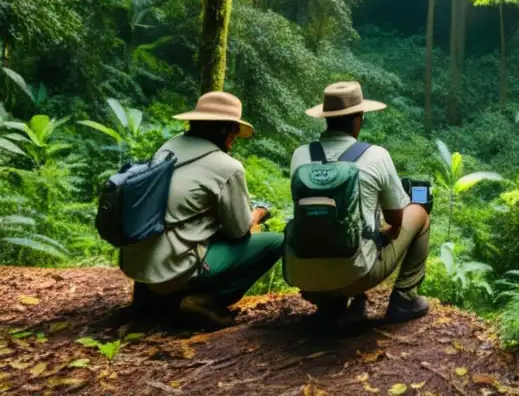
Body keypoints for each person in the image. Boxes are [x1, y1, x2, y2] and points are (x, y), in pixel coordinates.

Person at [120, 91, 283, 327]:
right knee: (276, 242)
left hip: (137, 264)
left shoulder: (169, 147)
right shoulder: (227, 167)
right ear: (224, 130)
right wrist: (258, 213)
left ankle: (150, 299)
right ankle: (207, 300)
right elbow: (238, 232)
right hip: (173, 268)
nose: (234, 138)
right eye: (234, 131)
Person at [288, 81, 430, 324]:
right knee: (419, 213)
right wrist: (381, 233)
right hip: (355, 275)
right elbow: (396, 221)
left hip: (304, 276)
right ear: (358, 119)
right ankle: (404, 298)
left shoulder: (301, 155)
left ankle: (329, 302)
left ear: (327, 118)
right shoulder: (376, 155)